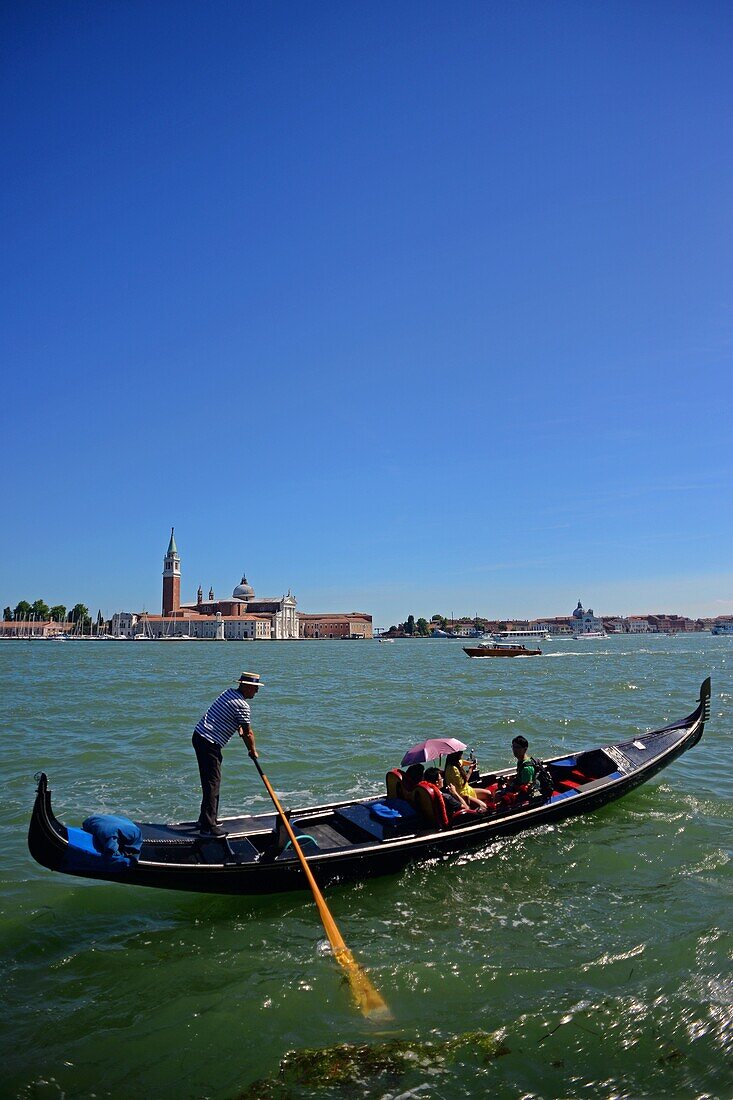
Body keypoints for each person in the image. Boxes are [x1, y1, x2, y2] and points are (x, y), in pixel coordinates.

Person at [192, 671, 261, 836]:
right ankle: (208, 826)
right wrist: (253, 751)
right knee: (212, 783)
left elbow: (227, 716)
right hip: (208, 742)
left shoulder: (228, 693)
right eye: (255, 688)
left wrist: (238, 726)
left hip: (200, 737)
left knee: (210, 781)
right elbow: (248, 733)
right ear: (245, 686)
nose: (257, 692)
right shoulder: (243, 705)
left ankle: (206, 819)